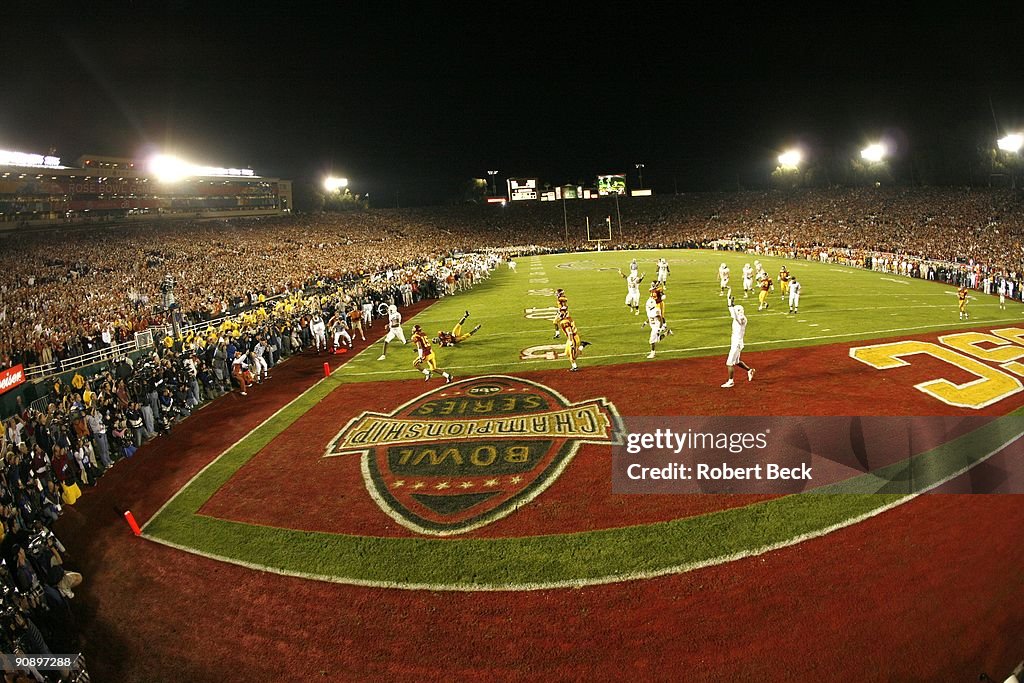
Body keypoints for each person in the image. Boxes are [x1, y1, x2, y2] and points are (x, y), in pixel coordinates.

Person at [722, 295, 755, 388]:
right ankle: (749, 370)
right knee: (736, 361)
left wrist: (732, 306)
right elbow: (733, 313)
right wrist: (730, 304)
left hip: (737, 343)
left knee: (729, 363)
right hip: (736, 342)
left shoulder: (742, 319)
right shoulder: (738, 316)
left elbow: (737, 318)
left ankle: (731, 381)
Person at [555, 307, 589, 372]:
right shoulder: (567, 318)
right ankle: (582, 345)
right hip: (571, 337)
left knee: (572, 356)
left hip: (573, 338)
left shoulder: (564, 322)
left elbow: (569, 332)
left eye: (559, 314)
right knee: (567, 352)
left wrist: (571, 342)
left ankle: (575, 366)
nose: (558, 315)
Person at [645, 292, 665, 359]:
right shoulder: (649, 310)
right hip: (653, 326)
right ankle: (667, 333)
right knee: (657, 339)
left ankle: (652, 353)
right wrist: (645, 322)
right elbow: (650, 318)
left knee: (651, 341)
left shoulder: (656, 311)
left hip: (656, 327)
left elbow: (661, 320)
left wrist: (659, 329)